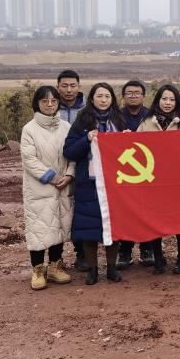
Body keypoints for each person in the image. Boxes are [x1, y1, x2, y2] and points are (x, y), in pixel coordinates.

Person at [63, 82, 127, 285]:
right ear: (92, 98)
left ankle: (111, 268)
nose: (103, 100)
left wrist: (128, 138)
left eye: (107, 96)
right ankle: (92, 269)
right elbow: (69, 150)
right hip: (88, 182)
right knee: (89, 228)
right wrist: (86, 139)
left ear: (112, 99)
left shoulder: (119, 119)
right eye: (99, 96)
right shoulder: (82, 120)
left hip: (115, 183)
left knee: (113, 227)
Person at [20, 85, 75, 290]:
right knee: (39, 228)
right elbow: (29, 159)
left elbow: (73, 154)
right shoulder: (29, 129)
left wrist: (69, 174)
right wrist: (52, 177)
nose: (50, 104)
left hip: (63, 186)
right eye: (45, 101)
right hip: (40, 188)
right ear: (37, 103)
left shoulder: (66, 127)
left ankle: (54, 267)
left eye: (53, 101)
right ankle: (37, 270)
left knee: (58, 226)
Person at [137, 84, 180, 274]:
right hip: (153, 181)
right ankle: (159, 259)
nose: (168, 103)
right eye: (164, 99)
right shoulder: (146, 123)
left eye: (172, 99)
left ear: (177, 102)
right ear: (157, 100)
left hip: (178, 181)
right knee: (155, 220)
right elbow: (136, 147)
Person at [116, 79, 154, 270]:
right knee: (125, 212)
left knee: (148, 211)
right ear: (123, 96)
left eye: (137, 93)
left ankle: (147, 249)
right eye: (129, 93)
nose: (133, 96)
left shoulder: (151, 116)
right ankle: (125, 251)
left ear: (143, 96)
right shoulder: (115, 117)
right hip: (122, 173)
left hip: (148, 170)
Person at [56, 68, 88, 271]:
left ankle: (82, 253)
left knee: (81, 210)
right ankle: (55, 258)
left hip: (82, 165)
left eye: (72, 86)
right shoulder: (50, 107)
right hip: (56, 167)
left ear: (79, 86)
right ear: (58, 87)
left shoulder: (87, 110)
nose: (69, 90)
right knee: (56, 212)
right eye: (65, 86)